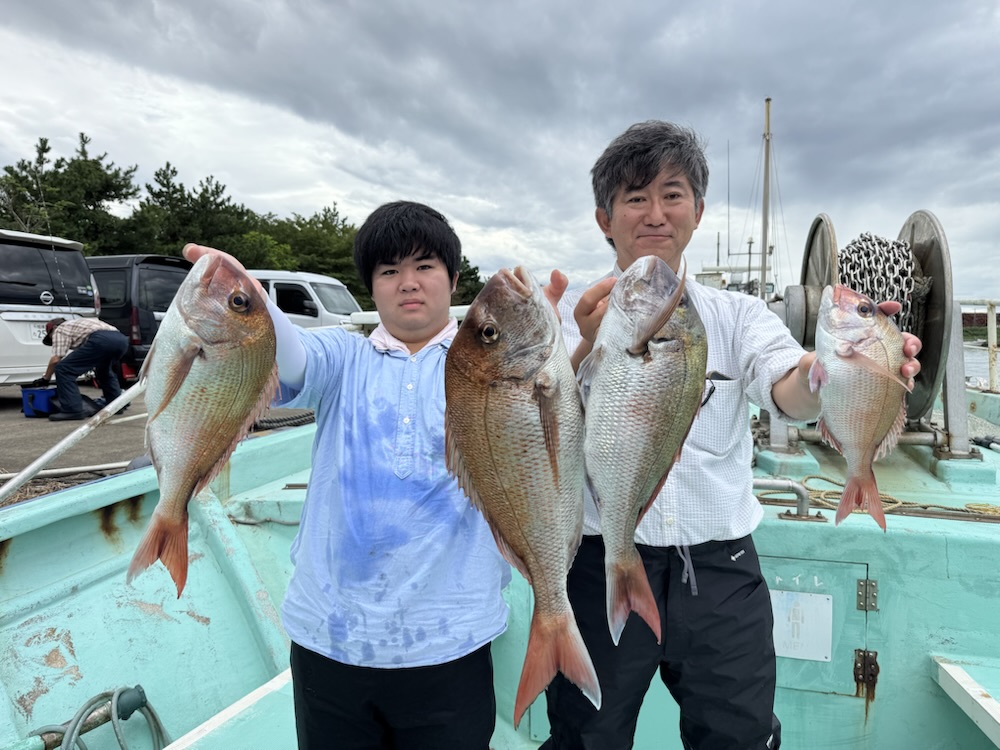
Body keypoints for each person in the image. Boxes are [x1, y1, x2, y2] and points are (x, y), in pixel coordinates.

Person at [541, 121, 923, 749]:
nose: (655, 212)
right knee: (586, 737)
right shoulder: (565, 313)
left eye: (673, 193)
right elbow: (537, 424)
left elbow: (789, 387)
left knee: (739, 739)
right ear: (603, 217)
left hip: (720, 572)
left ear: (698, 209)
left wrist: (841, 372)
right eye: (635, 198)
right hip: (599, 558)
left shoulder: (738, 314)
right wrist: (584, 345)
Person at [184, 201, 553, 750]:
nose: (409, 283)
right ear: (371, 289)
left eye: (425, 266)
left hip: (450, 643)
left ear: (452, 278)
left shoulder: (493, 367)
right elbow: (290, 360)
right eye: (388, 271)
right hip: (329, 643)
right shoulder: (342, 355)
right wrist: (245, 294)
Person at [33, 317, 130, 421]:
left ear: (53, 328)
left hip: (100, 340)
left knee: (63, 369)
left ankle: (73, 410)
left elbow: (56, 359)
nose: (53, 340)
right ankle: (115, 406)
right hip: (121, 340)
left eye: (51, 337)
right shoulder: (79, 324)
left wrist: (46, 378)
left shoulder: (60, 329)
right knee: (104, 372)